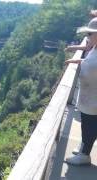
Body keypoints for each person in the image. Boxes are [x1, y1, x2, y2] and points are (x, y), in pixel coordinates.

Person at [65, 17, 97, 165]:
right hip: (90, 98)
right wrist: (78, 61)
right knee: (87, 124)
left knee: (90, 125)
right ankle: (84, 147)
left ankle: (84, 155)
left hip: (94, 100)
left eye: (90, 34)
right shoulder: (95, 48)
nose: (88, 37)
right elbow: (89, 62)